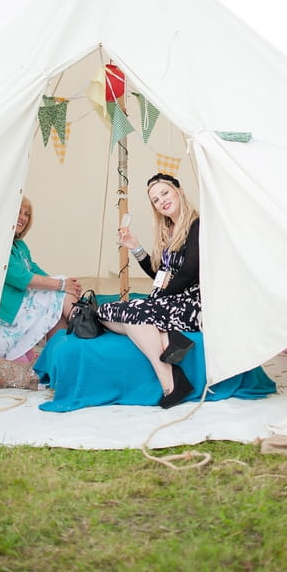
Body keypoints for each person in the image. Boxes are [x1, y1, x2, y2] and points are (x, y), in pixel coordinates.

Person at [97, 173, 201, 409]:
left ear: (178, 191)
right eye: (155, 199)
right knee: (103, 313)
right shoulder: (168, 230)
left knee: (134, 314)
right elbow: (159, 276)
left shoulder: (197, 225)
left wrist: (153, 302)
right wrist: (136, 248)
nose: (161, 200)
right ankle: (168, 338)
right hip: (169, 300)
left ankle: (169, 381)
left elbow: (188, 274)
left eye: (165, 193)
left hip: (190, 303)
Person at [0, 196, 82, 364]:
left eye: (26, 214)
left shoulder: (20, 245)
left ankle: (58, 354)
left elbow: (33, 268)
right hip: (10, 311)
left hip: (23, 305)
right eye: (19, 212)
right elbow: (21, 278)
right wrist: (61, 284)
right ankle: (82, 323)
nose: (23, 218)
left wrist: (66, 284)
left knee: (59, 297)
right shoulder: (0, 245)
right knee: (60, 290)